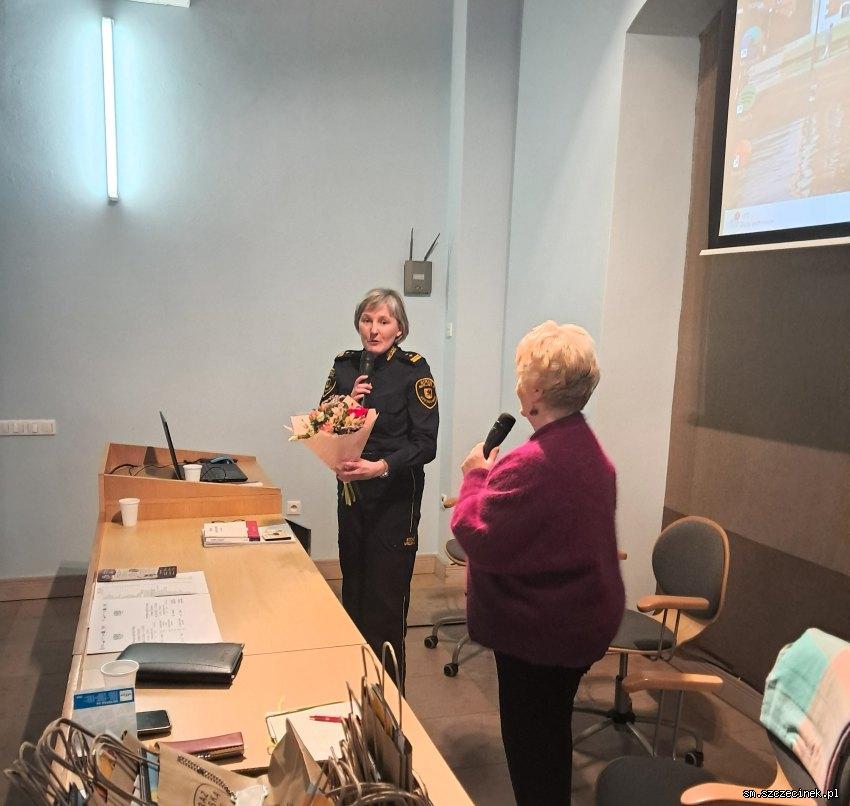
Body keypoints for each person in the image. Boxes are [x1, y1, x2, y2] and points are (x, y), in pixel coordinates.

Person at [450, 321, 625, 806]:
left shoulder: (532, 463)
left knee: (531, 749)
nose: (517, 385)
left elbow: (475, 534)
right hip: (579, 621)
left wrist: (474, 477)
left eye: (521, 375)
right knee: (549, 733)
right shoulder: (589, 450)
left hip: (540, 632)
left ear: (536, 393)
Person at [320, 288, 439, 688]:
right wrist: (346, 403)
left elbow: (425, 444)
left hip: (394, 499)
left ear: (399, 329)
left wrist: (381, 467)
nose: (374, 329)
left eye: (384, 321)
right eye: (367, 320)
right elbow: (320, 425)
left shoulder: (413, 371)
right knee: (353, 592)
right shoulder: (344, 367)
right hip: (353, 498)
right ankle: (356, 690)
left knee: (385, 605)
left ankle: (390, 701)